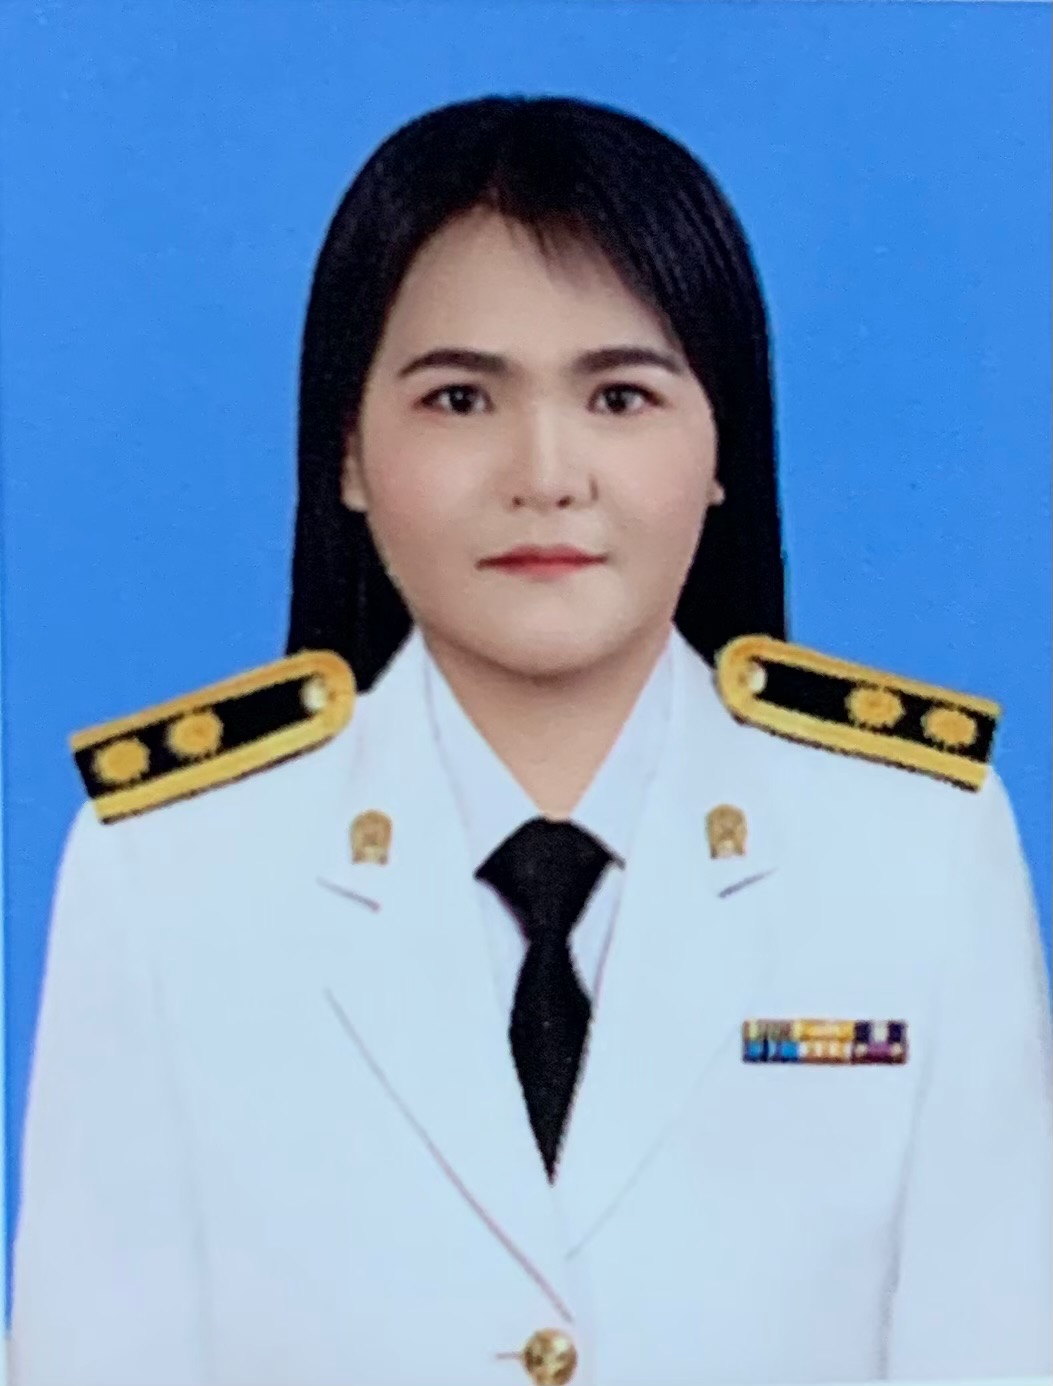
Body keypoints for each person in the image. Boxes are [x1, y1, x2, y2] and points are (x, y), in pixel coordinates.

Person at [9, 95, 1051, 1386]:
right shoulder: (172, 866)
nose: (547, 473)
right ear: (347, 450)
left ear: (720, 446)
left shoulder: (914, 845)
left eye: (620, 395)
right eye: (459, 398)